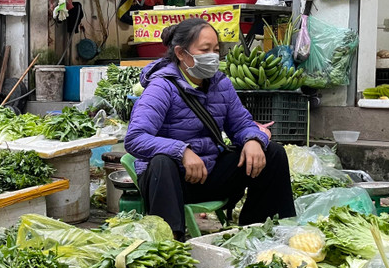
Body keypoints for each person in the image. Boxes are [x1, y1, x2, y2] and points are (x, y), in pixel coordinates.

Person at [124, 18, 295, 240]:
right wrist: (181, 151)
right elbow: (135, 138)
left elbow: (241, 124)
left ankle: (260, 233)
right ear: (181, 53)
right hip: (170, 182)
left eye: (216, 50)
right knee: (161, 162)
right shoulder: (161, 87)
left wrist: (253, 140)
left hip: (208, 173)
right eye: (205, 50)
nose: (213, 56)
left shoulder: (220, 84)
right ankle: (171, 243)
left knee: (273, 153)